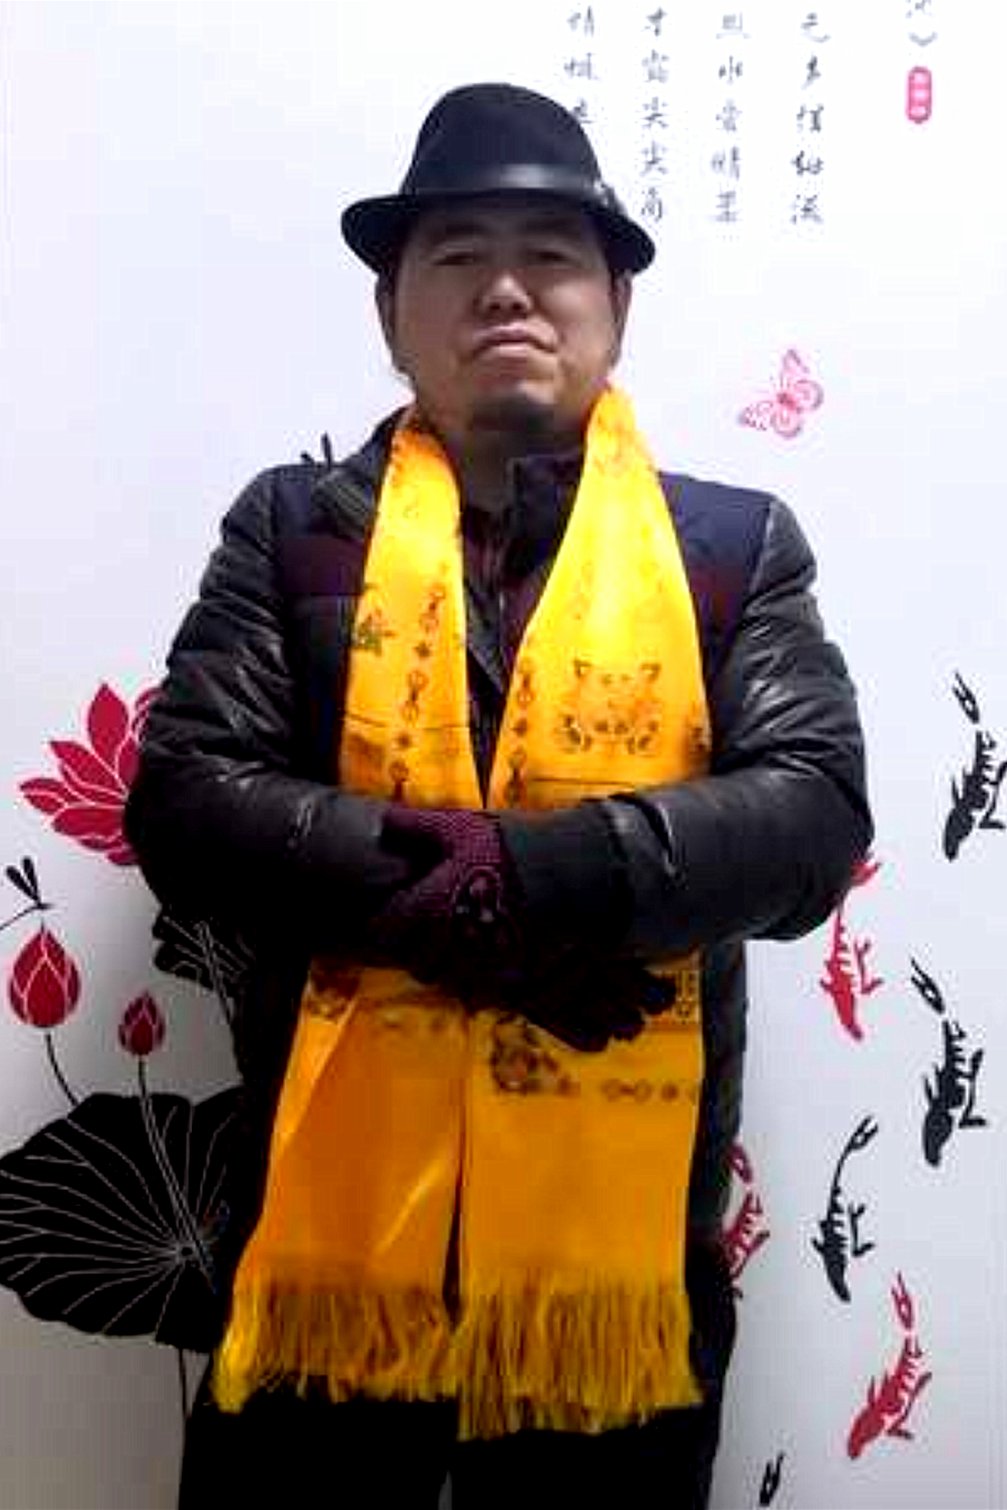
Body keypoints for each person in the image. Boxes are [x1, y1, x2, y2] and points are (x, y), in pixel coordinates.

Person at [124, 82, 871, 1510]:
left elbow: (814, 815)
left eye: (551, 255)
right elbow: (187, 803)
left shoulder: (731, 548)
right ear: (391, 311)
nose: (507, 290)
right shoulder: (292, 530)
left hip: (619, 1276)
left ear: (616, 306)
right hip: (324, 1259)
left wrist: (535, 876)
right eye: (460, 255)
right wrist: (452, 900)